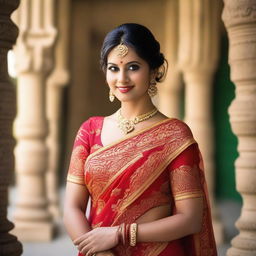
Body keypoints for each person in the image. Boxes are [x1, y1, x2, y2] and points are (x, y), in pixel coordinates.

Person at [63, 23, 217, 256]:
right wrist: (99, 252)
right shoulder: (89, 131)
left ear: (154, 70)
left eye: (133, 67)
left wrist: (119, 234)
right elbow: (72, 208)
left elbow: (190, 218)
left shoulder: (175, 135)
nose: (122, 78)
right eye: (113, 68)